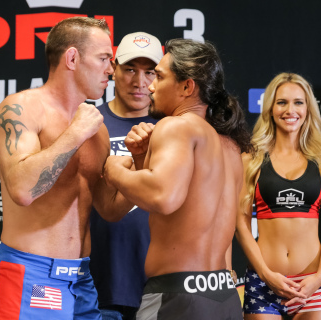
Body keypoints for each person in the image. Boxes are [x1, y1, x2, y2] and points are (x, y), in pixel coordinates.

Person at [0, 17, 131, 320]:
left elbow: (109, 209)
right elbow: (23, 190)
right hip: (31, 275)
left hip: (81, 280)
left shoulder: (97, 130)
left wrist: (139, 167)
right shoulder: (22, 108)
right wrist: (75, 134)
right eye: (104, 58)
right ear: (73, 58)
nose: (111, 70)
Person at [103, 39, 251, 319]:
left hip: (178, 298)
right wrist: (140, 160)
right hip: (224, 295)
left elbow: (163, 197)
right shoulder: (229, 146)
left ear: (187, 87)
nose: (149, 86)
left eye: (158, 76)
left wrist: (114, 169)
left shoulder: (176, 126)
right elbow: (179, 209)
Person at [235, 73, 321, 319]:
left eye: (298, 102)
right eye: (281, 102)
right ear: (270, 108)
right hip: (264, 283)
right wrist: (265, 274)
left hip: (313, 286)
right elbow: (240, 224)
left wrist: (318, 279)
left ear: (308, 109)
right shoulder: (250, 160)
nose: (290, 110)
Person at [89, 32, 163, 320]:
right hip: (101, 278)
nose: (139, 82)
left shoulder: (174, 128)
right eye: (130, 69)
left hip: (159, 280)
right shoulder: (90, 123)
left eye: (150, 72)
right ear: (114, 70)